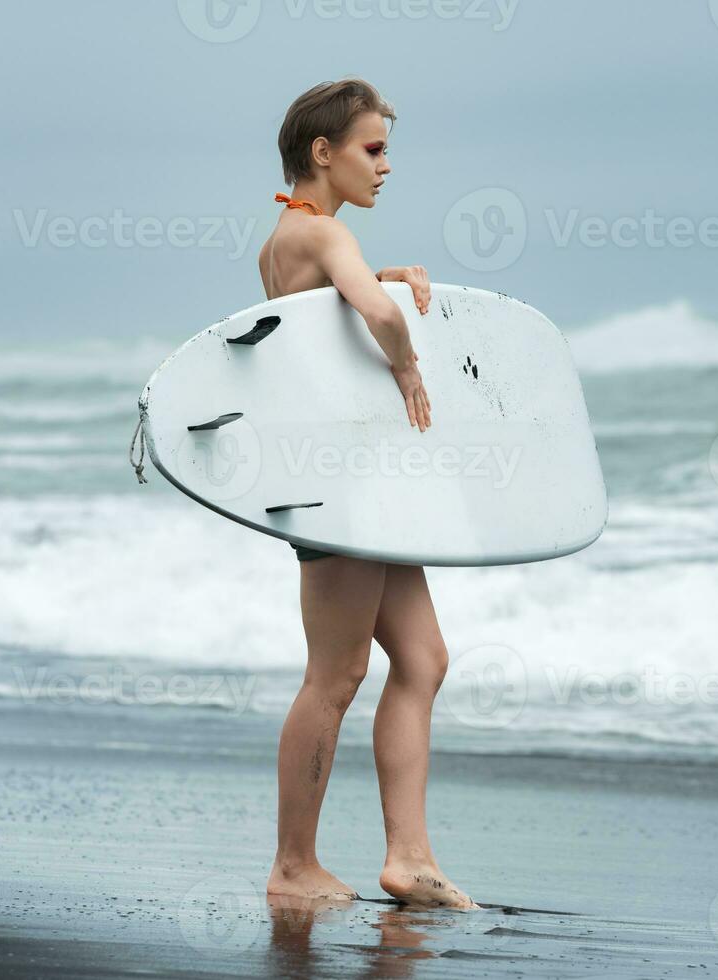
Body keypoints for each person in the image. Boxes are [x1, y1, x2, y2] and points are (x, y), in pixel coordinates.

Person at [256, 77, 476, 911]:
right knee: (337, 672)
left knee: (422, 659)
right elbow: (379, 317)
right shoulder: (315, 234)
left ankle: (408, 858)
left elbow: (317, 321)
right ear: (325, 152)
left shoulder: (294, 239)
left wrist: (368, 271)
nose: (386, 167)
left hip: (355, 480)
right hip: (332, 487)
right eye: (372, 149)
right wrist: (409, 363)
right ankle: (291, 866)